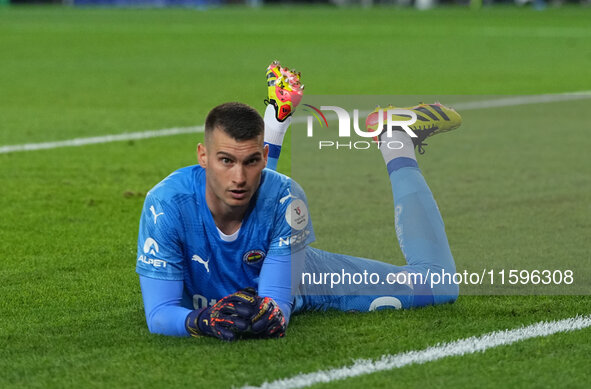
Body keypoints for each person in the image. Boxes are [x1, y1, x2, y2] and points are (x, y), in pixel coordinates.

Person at [136, 61, 461, 341]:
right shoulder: (164, 206)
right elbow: (160, 314)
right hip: (256, 248)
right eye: (224, 160)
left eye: (251, 161)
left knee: (439, 285)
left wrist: (267, 315)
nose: (238, 176)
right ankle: (276, 119)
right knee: (248, 194)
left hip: (302, 275)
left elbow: (276, 307)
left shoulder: (287, 198)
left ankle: (396, 140)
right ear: (202, 156)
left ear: (263, 158)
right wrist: (200, 321)